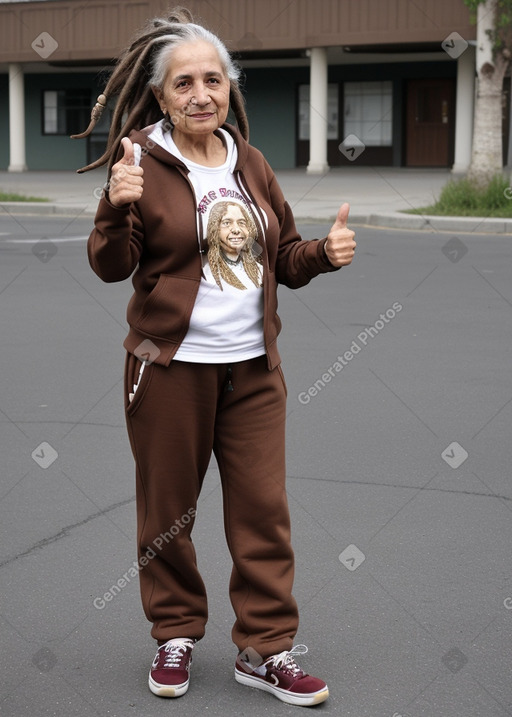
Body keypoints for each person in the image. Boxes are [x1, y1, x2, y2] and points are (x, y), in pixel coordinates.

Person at [76, 5, 355, 707]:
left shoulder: (250, 162)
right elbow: (111, 266)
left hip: (255, 371)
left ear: (229, 86)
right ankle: (174, 631)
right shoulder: (140, 158)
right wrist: (114, 205)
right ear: (161, 94)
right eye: (183, 84)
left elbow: (283, 258)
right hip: (168, 368)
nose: (201, 94)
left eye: (212, 80)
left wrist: (321, 253)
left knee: (263, 509)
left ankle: (267, 649)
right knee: (168, 510)